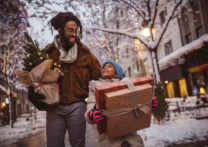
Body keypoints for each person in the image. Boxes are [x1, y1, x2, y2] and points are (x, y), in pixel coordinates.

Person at [28, 12, 101, 147]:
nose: (74, 33)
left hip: (77, 106)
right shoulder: (48, 53)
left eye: (75, 30)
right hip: (54, 108)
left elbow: (100, 78)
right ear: (60, 30)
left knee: (78, 144)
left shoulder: (85, 54)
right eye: (70, 30)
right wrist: (33, 94)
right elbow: (34, 77)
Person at [85, 60, 157, 147]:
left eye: (109, 66)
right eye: (103, 67)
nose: (105, 68)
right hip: (108, 141)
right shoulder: (95, 88)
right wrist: (90, 115)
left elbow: (136, 109)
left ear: (117, 73)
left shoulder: (130, 85)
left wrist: (147, 104)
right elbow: (89, 110)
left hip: (132, 138)